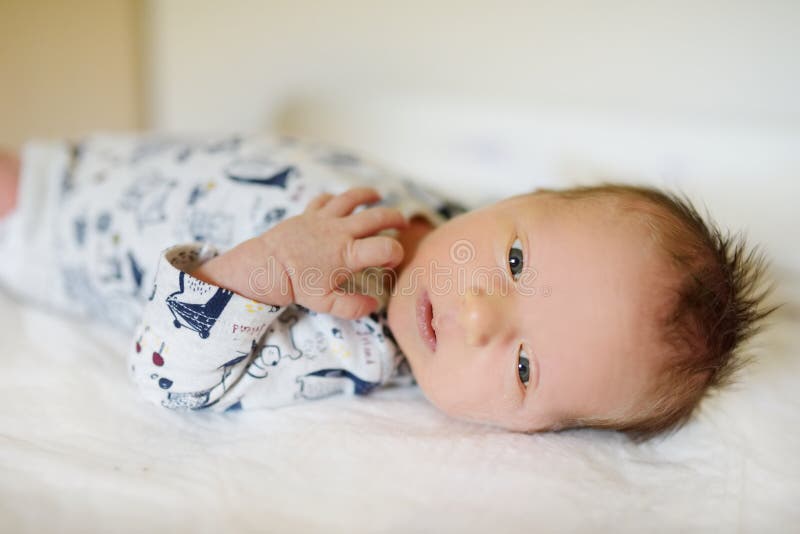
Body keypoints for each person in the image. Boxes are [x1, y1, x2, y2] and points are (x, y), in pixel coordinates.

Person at [0, 132, 774, 441]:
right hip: (107, 158)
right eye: (512, 265)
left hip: (53, 229)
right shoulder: (429, 215)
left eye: (525, 367)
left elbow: (166, 376)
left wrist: (270, 268)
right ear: (511, 202)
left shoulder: (352, 345)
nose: (477, 315)